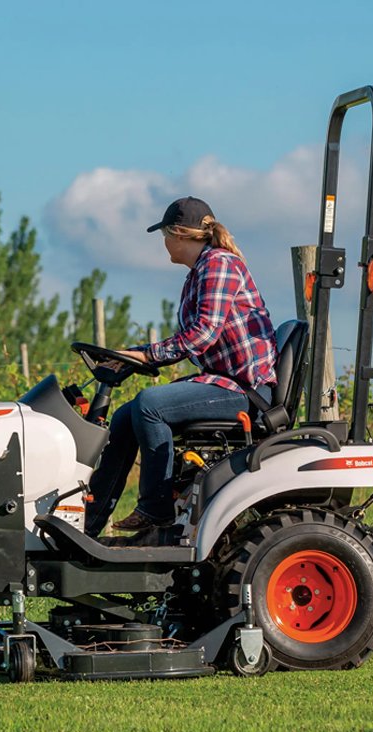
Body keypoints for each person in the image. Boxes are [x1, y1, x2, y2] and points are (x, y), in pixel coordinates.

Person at [84, 196, 278, 537]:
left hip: (246, 391)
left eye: (164, 236)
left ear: (178, 234)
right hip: (223, 383)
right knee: (126, 416)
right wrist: (132, 355)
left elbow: (202, 335)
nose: (164, 244)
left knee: (150, 405)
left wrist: (147, 356)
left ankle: (155, 509)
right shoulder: (199, 272)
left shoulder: (219, 265)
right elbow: (189, 338)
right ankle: (88, 523)